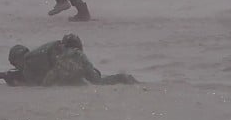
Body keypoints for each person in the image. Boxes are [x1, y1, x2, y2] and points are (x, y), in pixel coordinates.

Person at [7, 34, 135, 86]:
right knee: (98, 82)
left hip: (65, 60)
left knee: (48, 86)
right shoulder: (37, 56)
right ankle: (123, 78)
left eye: (15, 64)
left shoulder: (29, 62)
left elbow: (35, 86)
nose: (17, 67)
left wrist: (17, 83)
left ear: (18, 59)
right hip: (75, 54)